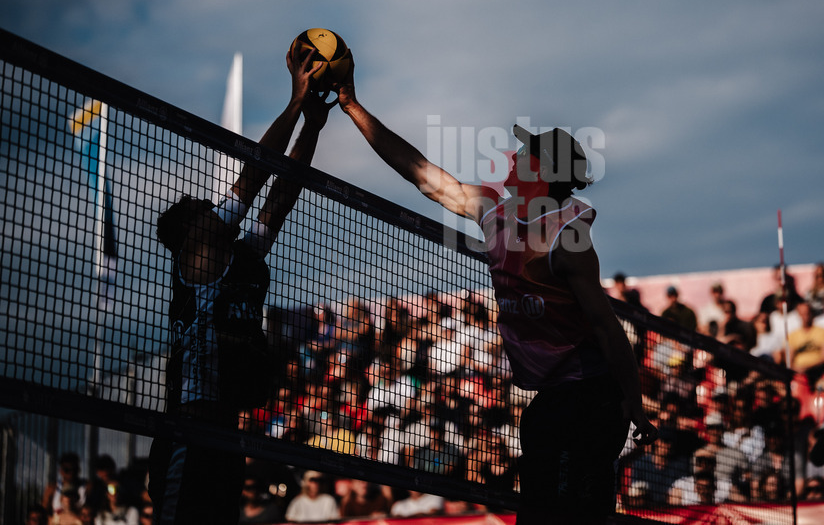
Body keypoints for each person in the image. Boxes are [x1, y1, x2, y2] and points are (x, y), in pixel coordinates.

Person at [334, 57, 657, 524]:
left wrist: (634, 403)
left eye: (523, 154)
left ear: (543, 170)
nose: (512, 157)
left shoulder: (568, 240)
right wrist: (352, 106)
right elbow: (420, 172)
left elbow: (608, 330)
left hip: (591, 396)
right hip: (553, 396)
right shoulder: (493, 210)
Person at [149, 50, 336, 525]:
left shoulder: (239, 256)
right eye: (198, 208)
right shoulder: (198, 253)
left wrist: (313, 126)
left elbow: (281, 196)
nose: (207, 205)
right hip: (188, 428)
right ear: (189, 231)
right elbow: (254, 176)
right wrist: (295, 103)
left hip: (226, 432)